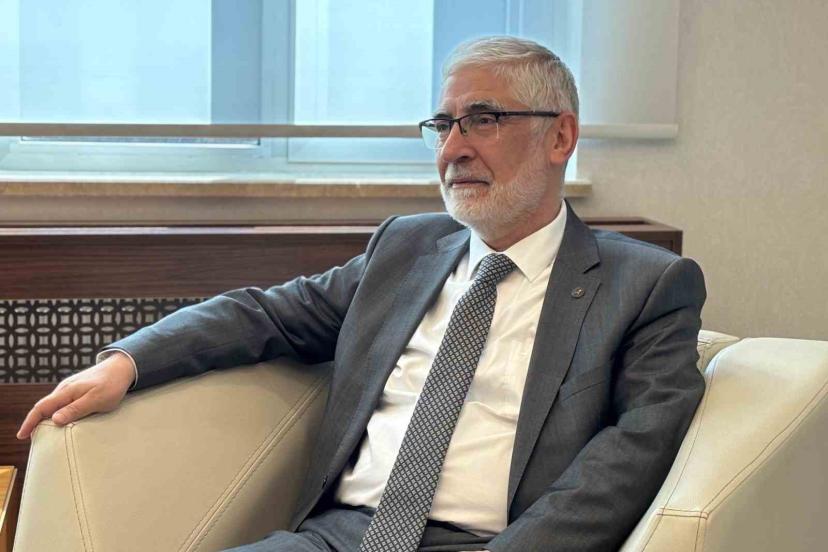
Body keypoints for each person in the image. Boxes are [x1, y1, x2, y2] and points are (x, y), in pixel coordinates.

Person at [17, 36, 706, 551]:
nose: (453, 149)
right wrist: (128, 362)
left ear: (561, 137)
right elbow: (266, 314)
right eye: (443, 125)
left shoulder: (646, 285)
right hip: (335, 538)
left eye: (484, 119)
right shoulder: (404, 248)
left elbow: (633, 453)